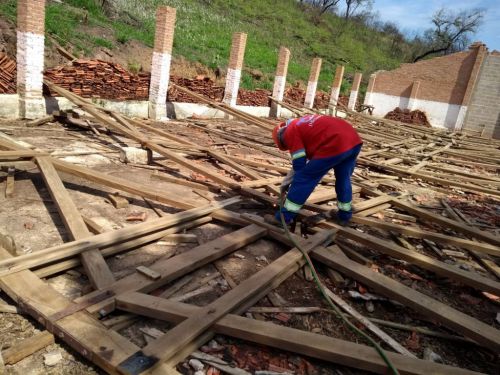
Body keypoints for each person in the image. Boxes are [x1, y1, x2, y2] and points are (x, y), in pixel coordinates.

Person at [271, 114, 362, 225]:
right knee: (344, 178)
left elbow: (299, 165)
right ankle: (344, 215)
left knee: (304, 178)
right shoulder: (301, 122)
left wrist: (290, 186)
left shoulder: (290, 132)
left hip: (335, 141)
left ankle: (284, 218)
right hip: (353, 140)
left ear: (281, 137)